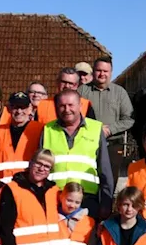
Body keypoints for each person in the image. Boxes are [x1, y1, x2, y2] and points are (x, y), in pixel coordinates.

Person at [40, 88, 114, 218]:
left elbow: (105, 169)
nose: (66, 109)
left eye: (70, 105)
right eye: (62, 106)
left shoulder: (96, 129)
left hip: (88, 200)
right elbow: (40, 167)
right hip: (55, 199)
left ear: (80, 105)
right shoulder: (47, 129)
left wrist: (106, 204)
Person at [79, 57, 135, 182]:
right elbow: (76, 116)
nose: (102, 74)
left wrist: (109, 130)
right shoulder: (82, 91)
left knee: (109, 182)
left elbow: (129, 119)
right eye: (99, 70)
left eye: (105, 71)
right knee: (87, 180)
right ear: (93, 72)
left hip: (113, 145)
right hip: (87, 143)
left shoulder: (120, 93)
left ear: (111, 72)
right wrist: (95, 129)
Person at [0, 92, 42, 184]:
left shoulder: (40, 130)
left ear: (30, 109)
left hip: (29, 185)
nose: (19, 111)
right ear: (9, 109)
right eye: (15, 107)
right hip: (2, 186)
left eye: (23, 107)